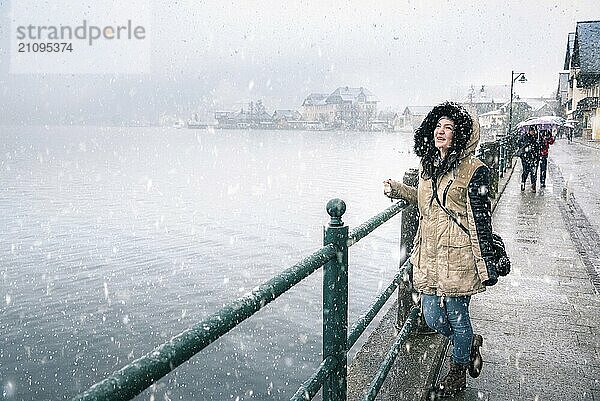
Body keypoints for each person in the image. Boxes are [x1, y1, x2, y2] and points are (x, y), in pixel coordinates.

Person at [383, 102, 497, 397]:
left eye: (448, 127)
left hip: (458, 258)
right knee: (432, 316)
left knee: (457, 315)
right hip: (430, 256)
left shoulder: (475, 171)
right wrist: (399, 189)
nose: (441, 131)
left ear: (461, 134)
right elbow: (424, 202)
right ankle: (468, 342)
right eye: (437, 126)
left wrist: (488, 262)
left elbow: (482, 221)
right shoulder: (428, 167)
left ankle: (458, 373)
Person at [517, 127, 541, 192]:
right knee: (526, 171)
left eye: (534, 130)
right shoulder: (524, 137)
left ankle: (533, 186)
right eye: (532, 130)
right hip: (526, 157)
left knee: (533, 172)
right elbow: (519, 145)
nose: (533, 132)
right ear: (529, 131)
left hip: (534, 158)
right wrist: (526, 145)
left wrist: (537, 156)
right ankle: (523, 182)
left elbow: (538, 148)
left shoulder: (537, 137)